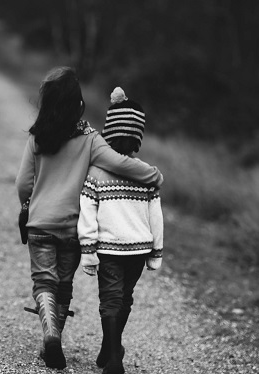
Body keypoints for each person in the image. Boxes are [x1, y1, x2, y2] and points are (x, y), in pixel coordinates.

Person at [15, 68, 163, 370]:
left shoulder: (37, 138)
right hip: (72, 227)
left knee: (44, 281)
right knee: (64, 285)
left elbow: (22, 184)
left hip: (40, 224)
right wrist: (153, 175)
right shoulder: (90, 139)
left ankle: (51, 334)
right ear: (78, 104)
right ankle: (56, 337)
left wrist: (28, 205)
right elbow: (120, 163)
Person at [77, 87, 164, 374]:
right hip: (138, 250)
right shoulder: (145, 174)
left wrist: (88, 251)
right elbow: (156, 215)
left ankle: (113, 356)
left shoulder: (96, 173)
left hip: (109, 250)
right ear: (137, 138)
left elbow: (87, 213)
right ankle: (111, 348)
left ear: (108, 134)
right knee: (124, 298)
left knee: (110, 300)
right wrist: (156, 252)